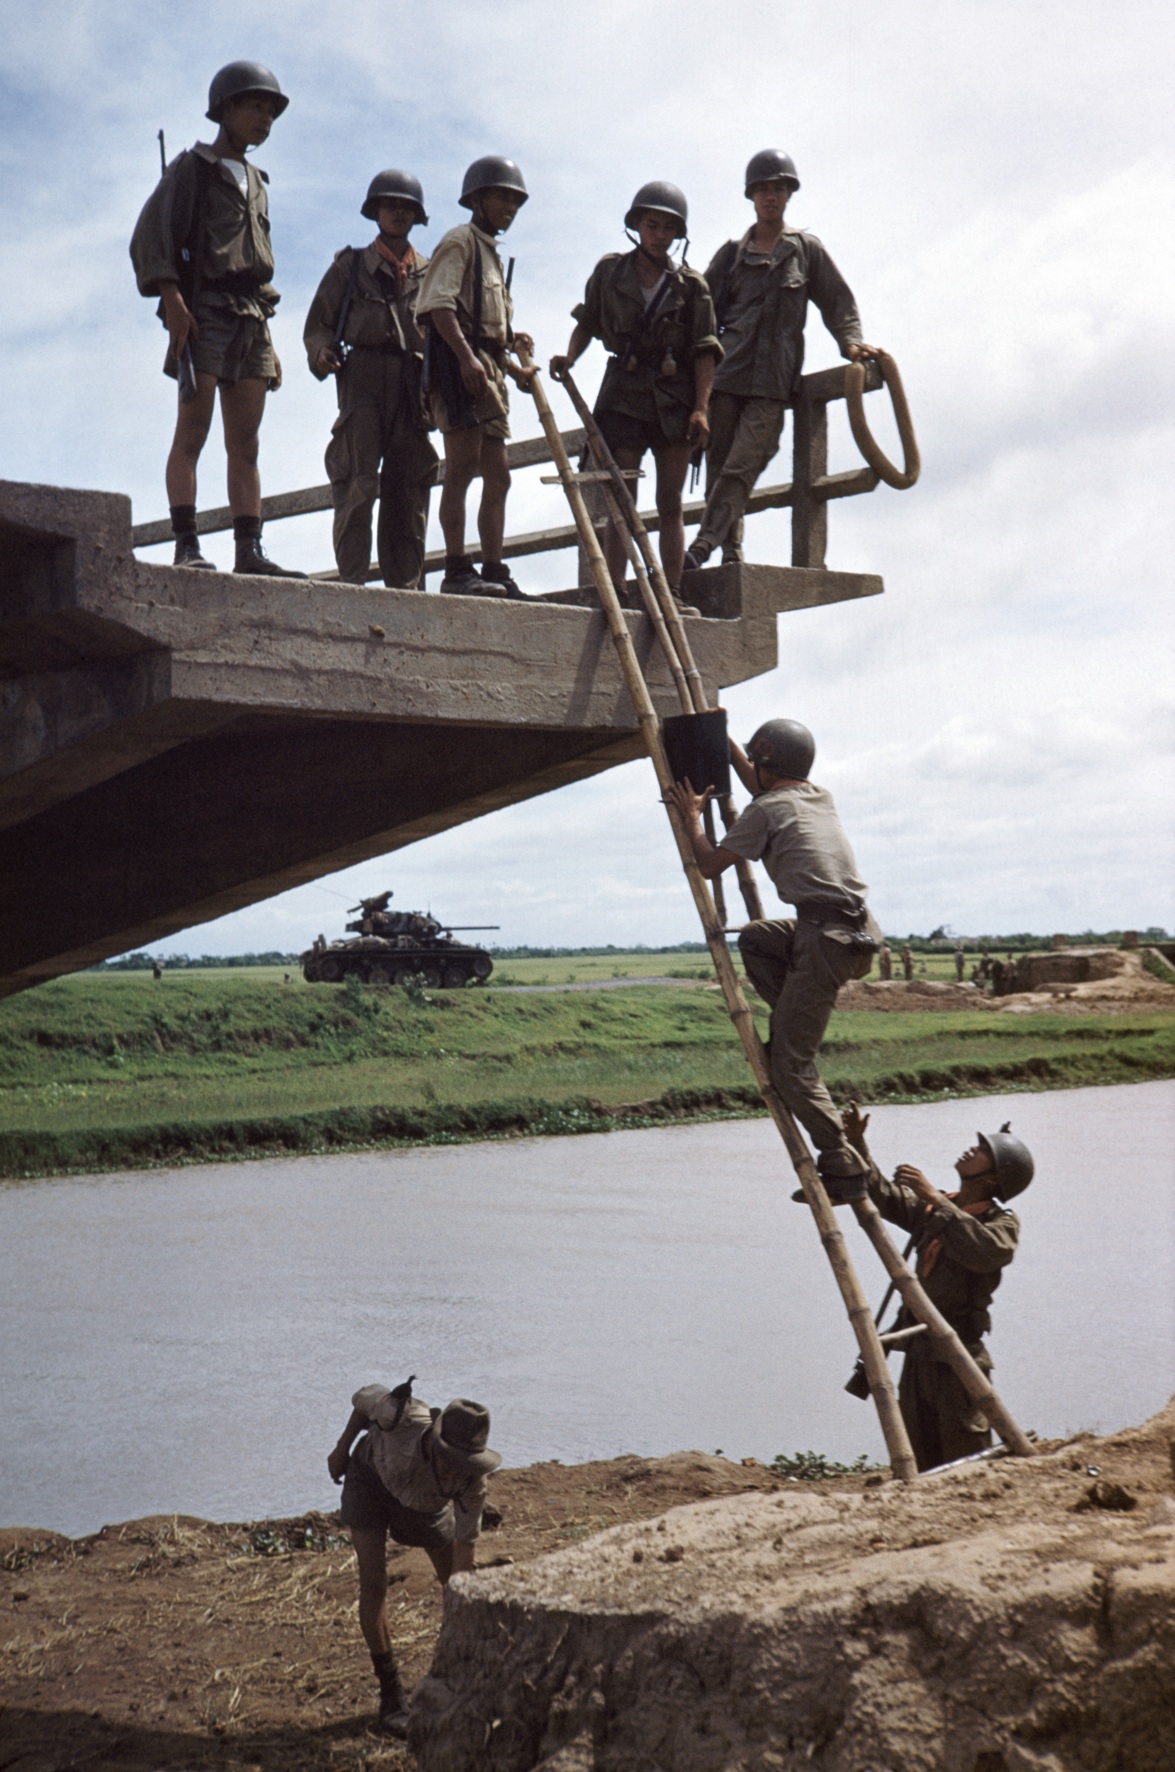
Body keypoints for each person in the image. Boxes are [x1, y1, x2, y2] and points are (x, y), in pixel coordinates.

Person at [667, 717, 880, 1199]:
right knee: (758, 939)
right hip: (848, 930)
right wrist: (720, 738)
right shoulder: (815, 796)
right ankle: (790, 1028)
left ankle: (842, 1164)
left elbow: (707, 864)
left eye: (754, 762)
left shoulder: (764, 812)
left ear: (767, 767)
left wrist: (692, 818)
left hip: (827, 940)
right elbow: (757, 780)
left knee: (790, 1067)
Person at [130, 61, 304, 576]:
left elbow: (258, 265)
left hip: (252, 317)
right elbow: (151, 238)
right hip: (203, 310)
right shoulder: (193, 168)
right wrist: (174, 303)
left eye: (271, 112)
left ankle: (249, 550)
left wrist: (270, 339)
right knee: (193, 432)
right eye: (255, 107)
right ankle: (187, 545)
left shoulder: (258, 182)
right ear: (225, 108)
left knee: (245, 442)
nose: (264, 119)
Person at [684, 149, 876, 572]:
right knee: (718, 467)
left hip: (773, 382)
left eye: (779, 189)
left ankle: (700, 546)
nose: (771, 197)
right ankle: (730, 551)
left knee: (745, 461)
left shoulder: (805, 251)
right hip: (727, 375)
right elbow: (699, 315)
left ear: (789, 194)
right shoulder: (732, 254)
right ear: (751, 196)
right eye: (763, 189)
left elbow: (837, 302)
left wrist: (852, 344)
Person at [550, 181, 720, 594]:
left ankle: (671, 592)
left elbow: (705, 352)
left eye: (667, 228)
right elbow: (588, 322)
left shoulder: (691, 287)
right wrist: (570, 358)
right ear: (637, 225)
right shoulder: (611, 272)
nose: (659, 234)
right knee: (622, 501)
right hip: (623, 395)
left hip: (673, 399)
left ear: (677, 234)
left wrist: (701, 408)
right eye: (651, 224)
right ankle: (618, 590)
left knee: (671, 503)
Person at [844, 1103, 1033, 1471]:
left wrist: (932, 1197)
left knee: (967, 1450)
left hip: (958, 1352)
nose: (971, 1150)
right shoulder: (939, 1207)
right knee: (919, 1447)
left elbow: (985, 1251)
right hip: (919, 1350)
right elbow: (882, 1194)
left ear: (994, 1178)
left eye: (982, 1151)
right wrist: (857, 1144)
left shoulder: (999, 1222)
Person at [328, 1377, 501, 1737]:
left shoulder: (471, 1484)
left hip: (424, 1506)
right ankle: (391, 1696)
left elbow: (463, 1568)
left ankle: (458, 1679)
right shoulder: (402, 1417)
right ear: (435, 1445)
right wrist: (341, 1449)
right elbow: (363, 1402)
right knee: (374, 1583)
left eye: (466, 1464)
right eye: (450, 1460)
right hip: (371, 1480)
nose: (457, 1471)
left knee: (455, 1586)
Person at [304, 170, 438, 588]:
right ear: (375, 212)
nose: (399, 213)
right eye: (390, 205)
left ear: (417, 215)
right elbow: (318, 326)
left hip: (413, 386)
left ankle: (407, 589)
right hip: (361, 379)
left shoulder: (430, 272)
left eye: (407, 207)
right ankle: (352, 585)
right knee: (358, 483)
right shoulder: (351, 266)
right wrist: (322, 352)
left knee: (407, 488)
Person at [413, 156, 536, 598]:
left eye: (515, 200)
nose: (509, 206)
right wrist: (467, 359)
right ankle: (456, 569)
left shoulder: (492, 255)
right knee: (461, 468)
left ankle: (493, 567)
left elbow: (489, 325)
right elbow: (438, 307)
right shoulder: (460, 241)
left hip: (488, 370)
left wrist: (513, 361)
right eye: (502, 196)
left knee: (498, 474)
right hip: (457, 366)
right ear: (477, 198)